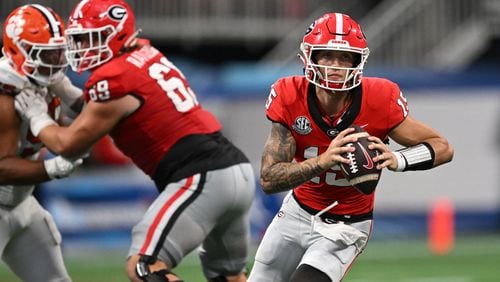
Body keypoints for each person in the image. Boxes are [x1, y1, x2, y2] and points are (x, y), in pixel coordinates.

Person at [14, 0, 256, 281]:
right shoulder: (144, 53)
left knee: (143, 266)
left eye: (90, 38)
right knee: (230, 276)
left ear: (116, 35)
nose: (82, 47)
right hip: (236, 170)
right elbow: (102, 113)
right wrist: (62, 86)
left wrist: (36, 115)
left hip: (201, 177)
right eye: (77, 39)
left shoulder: (113, 78)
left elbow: (68, 144)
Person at [248, 13, 454, 282]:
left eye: (345, 57)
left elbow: (442, 147)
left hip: (347, 225)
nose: (336, 66)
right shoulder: (289, 95)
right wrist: (323, 161)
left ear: (359, 61)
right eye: (327, 55)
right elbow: (269, 178)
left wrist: (397, 159)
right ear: (311, 57)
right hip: (296, 213)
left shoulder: (380, 98)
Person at [0, 4, 84, 282]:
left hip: (22, 203)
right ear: (17, 50)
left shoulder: (43, 79)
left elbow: (86, 111)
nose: (56, 59)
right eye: (46, 53)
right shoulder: (5, 95)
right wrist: (53, 168)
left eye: (58, 50)